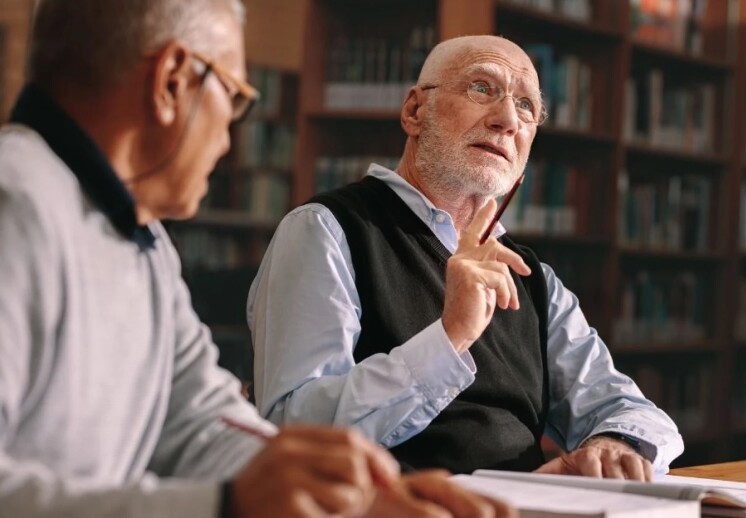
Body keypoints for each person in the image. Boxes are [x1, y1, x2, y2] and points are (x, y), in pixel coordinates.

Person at [0, 1, 515, 517]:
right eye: (235, 96)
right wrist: (226, 506)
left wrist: (360, 498)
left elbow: (203, 425)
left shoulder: (144, 241)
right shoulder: (15, 207)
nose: (229, 136)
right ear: (173, 81)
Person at [249, 34, 685, 480]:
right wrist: (450, 336)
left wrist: (615, 444)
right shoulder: (324, 229)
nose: (507, 120)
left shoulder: (532, 276)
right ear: (415, 111)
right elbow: (294, 431)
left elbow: (628, 409)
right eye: (482, 88)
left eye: (527, 107)